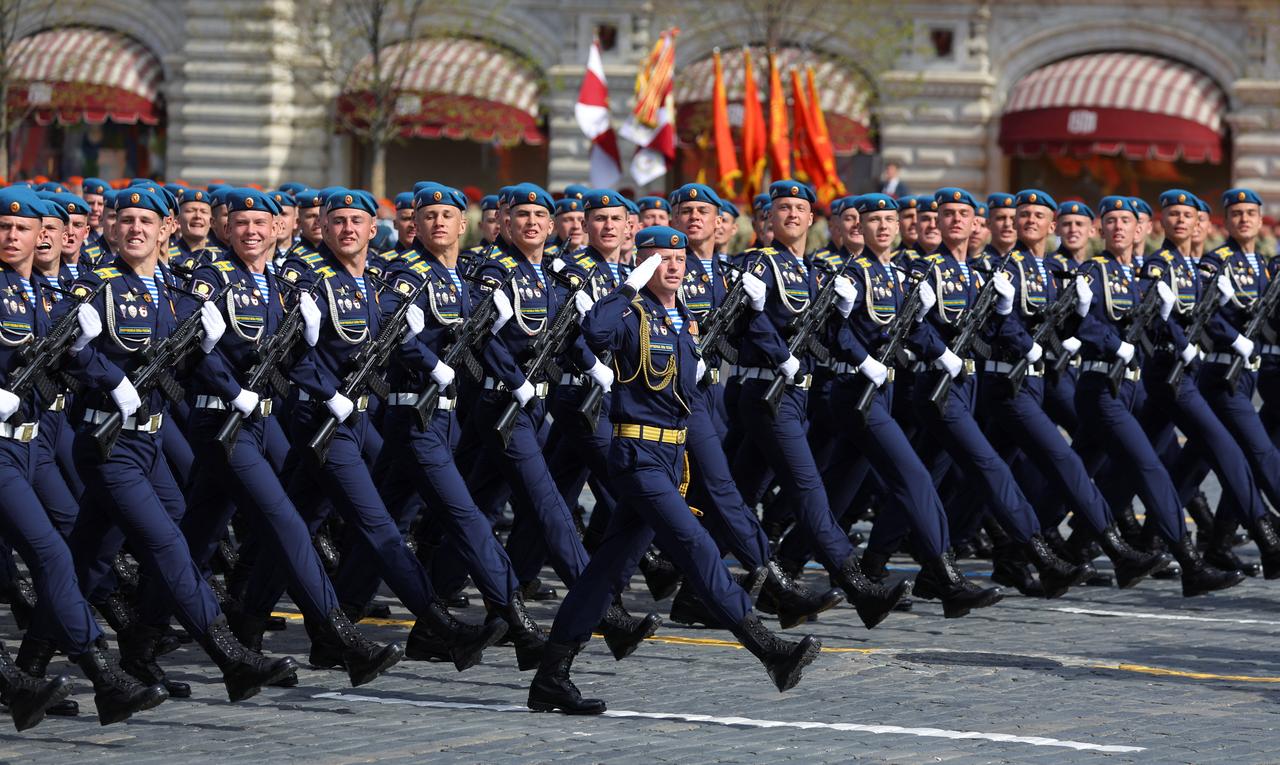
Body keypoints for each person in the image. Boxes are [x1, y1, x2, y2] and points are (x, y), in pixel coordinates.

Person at [528, 226, 823, 715]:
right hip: (638, 457)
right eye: (660, 258)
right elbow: (592, 334)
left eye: (678, 258)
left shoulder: (679, 317)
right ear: (643, 263)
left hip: (671, 458)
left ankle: (551, 677)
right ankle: (768, 649)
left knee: (606, 573)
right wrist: (627, 285)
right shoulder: (629, 313)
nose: (673, 266)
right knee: (695, 545)